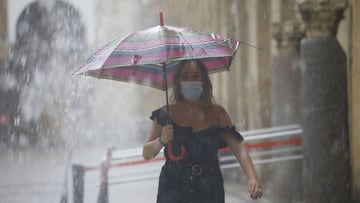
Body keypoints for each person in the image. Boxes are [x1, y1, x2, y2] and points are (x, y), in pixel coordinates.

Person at [143, 59, 262, 203]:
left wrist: (252, 177)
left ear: (204, 81)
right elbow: (146, 153)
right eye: (184, 77)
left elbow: (238, 147)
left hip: (209, 188)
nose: (190, 81)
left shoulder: (218, 114)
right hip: (173, 189)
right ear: (177, 83)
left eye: (196, 76)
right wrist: (161, 140)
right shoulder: (165, 114)